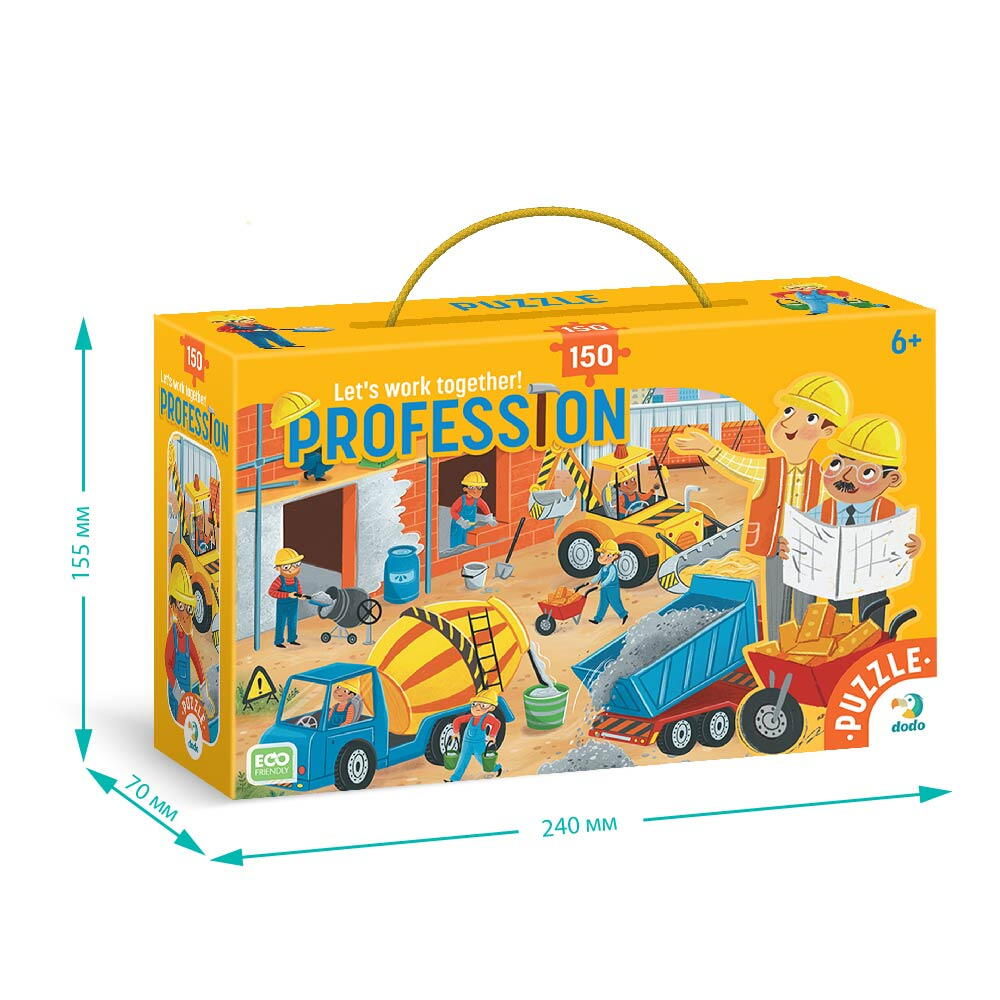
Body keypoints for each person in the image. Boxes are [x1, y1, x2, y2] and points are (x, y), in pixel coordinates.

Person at [673, 373, 851, 640]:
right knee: (777, 613)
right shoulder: (768, 468)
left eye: (810, 417)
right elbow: (738, 464)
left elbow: (841, 511)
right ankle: (776, 652)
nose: (789, 422)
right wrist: (709, 449)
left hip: (809, 555)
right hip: (774, 550)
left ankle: (805, 650)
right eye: (789, 411)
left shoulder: (823, 477)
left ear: (826, 431)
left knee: (807, 614)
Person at [778, 415, 922, 628]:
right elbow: (801, 533)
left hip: (875, 577)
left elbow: (904, 541)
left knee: (873, 618)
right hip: (834, 578)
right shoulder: (823, 509)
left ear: (891, 479)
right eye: (837, 464)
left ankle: (873, 642)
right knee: (838, 618)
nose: (845, 476)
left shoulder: (891, 512)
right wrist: (789, 547)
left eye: (867, 472)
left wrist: (914, 546)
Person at [165, 563, 206, 718]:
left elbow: (197, 663)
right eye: (182, 606)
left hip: (187, 694)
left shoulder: (188, 639)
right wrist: (178, 693)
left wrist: (204, 691)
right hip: (175, 697)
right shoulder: (172, 636)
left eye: (189, 608)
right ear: (173, 607)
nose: (187, 614)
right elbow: (168, 665)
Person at [447, 689, 503, 781]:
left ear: (491, 708)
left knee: (482, 760)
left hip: (478, 744)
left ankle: (496, 768)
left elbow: (497, 723)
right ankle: (454, 779)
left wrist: (492, 736)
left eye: (483, 705)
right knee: (462, 761)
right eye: (474, 704)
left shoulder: (486, 718)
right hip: (466, 743)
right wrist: (456, 732)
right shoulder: (470, 717)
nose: (477, 707)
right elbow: (457, 720)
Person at [268, 547, 306, 647]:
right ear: (278, 568)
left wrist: (300, 595)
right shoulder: (279, 580)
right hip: (282, 606)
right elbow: (271, 592)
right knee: (280, 623)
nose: (293, 569)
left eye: (296, 565)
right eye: (287, 567)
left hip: (293, 605)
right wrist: (287, 595)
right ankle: (278, 641)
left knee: (292, 622)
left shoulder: (296, 580)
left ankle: (292, 639)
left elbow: (299, 590)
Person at [449, 471, 496, 548]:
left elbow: (485, 508)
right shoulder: (461, 500)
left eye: (479, 488)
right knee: (456, 543)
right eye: (472, 487)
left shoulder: (477, 500)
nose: (475, 491)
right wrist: (461, 521)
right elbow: (453, 511)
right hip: (458, 526)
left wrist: (489, 519)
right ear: (465, 488)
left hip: (470, 525)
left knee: (468, 543)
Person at [589, 539, 628, 625]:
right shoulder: (603, 568)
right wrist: (591, 582)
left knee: (615, 602)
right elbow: (598, 576)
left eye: (608, 555)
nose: (604, 557)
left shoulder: (612, 568)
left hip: (612, 589)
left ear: (615, 556)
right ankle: (598, 619)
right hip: (604, 589)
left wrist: (601, 585)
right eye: (602, 554)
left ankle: (623, 614)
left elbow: (609, 578)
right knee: (603, 603)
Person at [215, 316, 301, 349]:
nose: (252, 321)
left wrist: (272, 329)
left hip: (260, 330)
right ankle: (266, 346)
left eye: (253, 320)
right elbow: (220, 329)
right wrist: (239, 330)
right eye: (249, 320)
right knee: (257, 339)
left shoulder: (257, 325)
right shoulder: (233, 325)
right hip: (249, 333)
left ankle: (286, 344)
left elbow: (265, 327)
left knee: (273, 334)